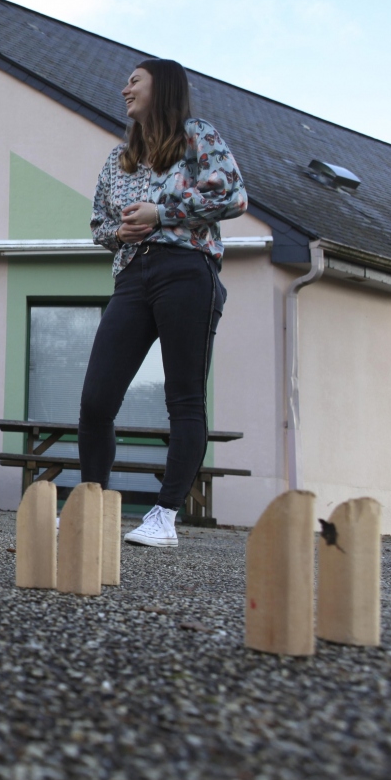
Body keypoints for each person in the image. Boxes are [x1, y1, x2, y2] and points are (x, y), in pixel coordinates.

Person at [80, 58, 247, 547]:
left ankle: (164, 516)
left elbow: (234, 196)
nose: (124, 88)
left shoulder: (196, 135)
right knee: (95, 400)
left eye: (134, 80)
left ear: (163, 85)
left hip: (187, 270)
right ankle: (92, 506)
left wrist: (161, 212)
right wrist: (122, 230)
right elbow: (97, 225)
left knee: (185, 399)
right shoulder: (118, 158)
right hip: (132, 274)